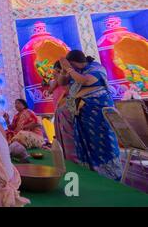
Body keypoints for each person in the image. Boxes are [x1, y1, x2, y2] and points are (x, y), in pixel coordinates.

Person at [59, 50, 122, 180]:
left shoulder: (95, 67)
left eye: (71, 65)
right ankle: (92, 172)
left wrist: (70, 69)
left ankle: (111, 174)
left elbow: (86, 81)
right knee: (86, 141)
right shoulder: (75, 71)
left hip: (98, 111)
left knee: (103, 140)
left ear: (75, 62)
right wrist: (63, 70)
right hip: (82, 112)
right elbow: (61, 82)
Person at [48, 61, 78, 162]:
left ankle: (72, 159)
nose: (54, 72)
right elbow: (50, 90)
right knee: (60, 132)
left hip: (66, 106)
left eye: (56, 70)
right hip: (59, 107)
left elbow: (66, 88)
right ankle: (65, 157)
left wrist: (58, 77)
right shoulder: (55, 80)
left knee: (68, 134)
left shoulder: (67, 78)